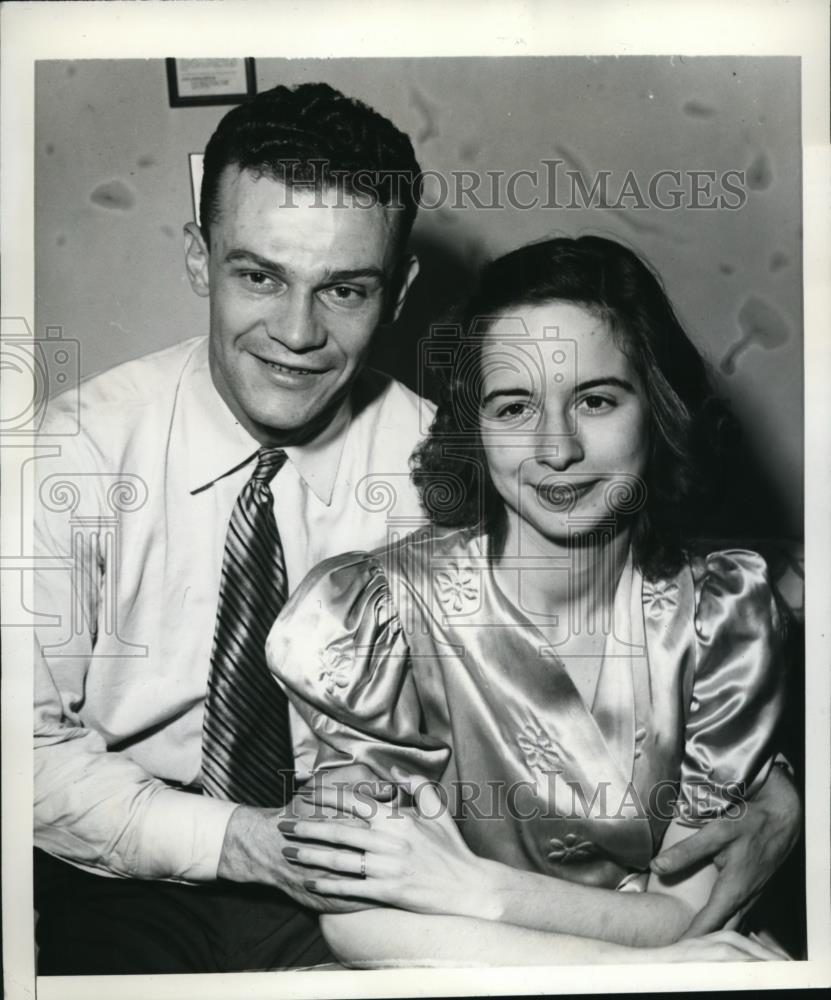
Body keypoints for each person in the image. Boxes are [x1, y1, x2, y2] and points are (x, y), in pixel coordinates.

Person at [264, 235, 800, 966]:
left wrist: (473, 890)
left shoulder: (722, 613)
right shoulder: (381, 611)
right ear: (474, 429)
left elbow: (692, 907)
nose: (556, 448)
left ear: (658, 407)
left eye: (596, 399)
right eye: (513, 407)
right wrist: (638, 967)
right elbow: (357, 923)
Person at [33, 81, 429, 974]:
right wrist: (245, 840)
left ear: (397, 291)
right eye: (260, 276)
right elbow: (18, 752)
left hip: (359, 868)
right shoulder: (69, 456)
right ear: (198, 260)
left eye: (345, 290)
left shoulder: (443, 469)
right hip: (108, 864)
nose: (297, 332)